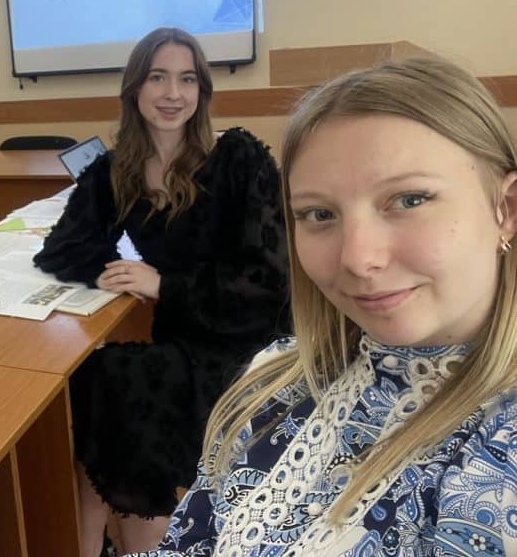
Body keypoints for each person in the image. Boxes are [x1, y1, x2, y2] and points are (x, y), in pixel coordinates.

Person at [130, 56, 517, 556]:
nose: (357, 259)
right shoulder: (275, 380)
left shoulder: (498, 460)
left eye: (409, 200)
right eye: (319, 214)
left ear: (506, 210)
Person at [33, 27, 289, 555]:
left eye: (187, 79)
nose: (173, 93)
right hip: (181, 333)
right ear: (135, 88)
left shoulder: (239, 158)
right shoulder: (115, 170)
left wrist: (162, 284)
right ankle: (94, 543)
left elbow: (268, 282)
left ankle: (131, 544)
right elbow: (60, 249)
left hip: (247, 343)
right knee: (94, 380)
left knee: (120, 385)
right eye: (158, 77)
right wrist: (112, 271)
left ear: (202, 92)